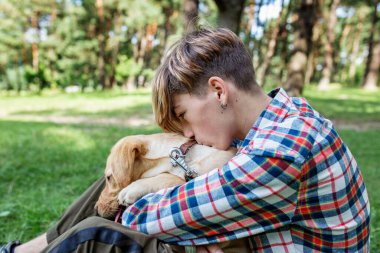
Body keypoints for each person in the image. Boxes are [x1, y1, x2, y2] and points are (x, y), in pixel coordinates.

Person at [1, 27, 370, 253]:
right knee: (114, 184)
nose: (186, 134)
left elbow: (148, 219)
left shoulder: (282, 150)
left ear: (218, 91)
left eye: (182, 115)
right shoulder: (279, 117)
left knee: (101, 233)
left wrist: (152, 187)